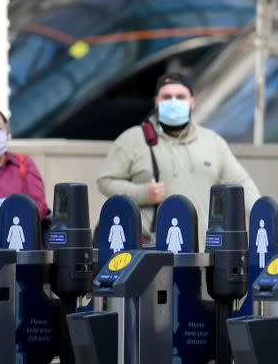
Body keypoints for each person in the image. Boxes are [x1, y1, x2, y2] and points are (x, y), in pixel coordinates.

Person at [97, 72, 261, 245]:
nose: (173, 102)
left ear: (192, 102)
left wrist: (260, 216)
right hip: (153, 251)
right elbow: (105, 181)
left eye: (180, 96)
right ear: (156, 101)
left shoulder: (212, 141)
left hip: (203, 250)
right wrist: (143, 193)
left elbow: (241, 182)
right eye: (167, 97)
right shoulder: (133, 139)